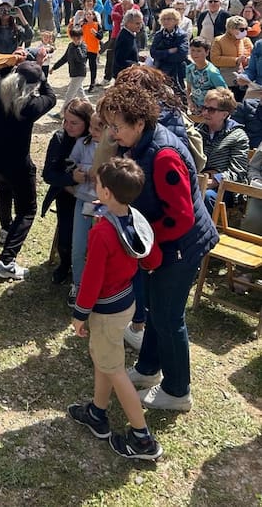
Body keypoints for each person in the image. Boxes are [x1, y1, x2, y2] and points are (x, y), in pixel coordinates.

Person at [98, 82, 218, 412]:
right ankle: (149, 368)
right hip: (160, 246)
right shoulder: (138, 144)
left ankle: (178, 391)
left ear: (139, 123)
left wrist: (139, 235)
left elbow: (182, 219)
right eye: (109, 125)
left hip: (181, 247)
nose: (111, 134)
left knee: (168, 318)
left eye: (117, 127)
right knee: (153, 309)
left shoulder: (164, 156)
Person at [69, 157, 163, 461]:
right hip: (125, 301)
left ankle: (142, 438)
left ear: (107, 192)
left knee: (114, 369)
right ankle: (97, 412)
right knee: (104, 359)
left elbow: (92, 278)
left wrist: (79, 314)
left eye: (99, 185)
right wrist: (105, 211)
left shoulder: (102, 234)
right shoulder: (132, 216)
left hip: (106, 310)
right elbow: (146, 257)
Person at [0, 53, 56, 279]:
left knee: (3, 190)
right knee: (27, 209)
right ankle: (6, 261)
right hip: (16, 162)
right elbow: (51, 97)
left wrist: (14, 61)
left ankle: (5, 229)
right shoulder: (31, 105)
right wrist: (42, 71)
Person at [42, 98, 94, 285]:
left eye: (74, 123)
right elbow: (48, 174)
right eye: (65, 121)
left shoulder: (95, 139)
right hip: (66, 194)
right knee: (66, 233)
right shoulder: (59, 139)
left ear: (87, 122)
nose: (68, 126)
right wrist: (70, 180)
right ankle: (65, 264)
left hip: (94, 197)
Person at [68, 112, 105, 308]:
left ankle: (97, 288)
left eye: (97, 129)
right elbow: (70, 163)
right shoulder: (83, 144)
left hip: (104, 205)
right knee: (79, 244)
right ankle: (78, 284)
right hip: (84, 200)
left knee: (97, 248)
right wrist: (77, 172)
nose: (92, 132)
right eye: (91, 127)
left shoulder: (115, 148)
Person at [197, 87, 249, 212]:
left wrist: (214, 180)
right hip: (198, 182)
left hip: (225, 189)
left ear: (225, 114)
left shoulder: (238, 136)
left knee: (206, 196)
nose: (205, 113)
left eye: (211, 110)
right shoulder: (197, 131)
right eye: (204, 108)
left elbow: (238, 172)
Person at [209, 15, 252, 101]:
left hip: (243, 79)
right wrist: (235, 60)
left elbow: (252, 55)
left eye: (245, 29)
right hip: (226, 79)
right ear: (231, 29)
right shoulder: (219, 40)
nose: (244, 31)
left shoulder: (246, 40)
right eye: (241, 29)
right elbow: (215, 59)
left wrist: (248, 60)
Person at [149, 8, 189, 97]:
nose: (166, 21)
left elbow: (182, 54)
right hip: (161, 69)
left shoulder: (181, 35)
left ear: (176, 20)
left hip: (177, 70)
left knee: (179, 94)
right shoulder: (158, 35)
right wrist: (168, 51)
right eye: (164, 19)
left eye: (169, 19)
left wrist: (161, 55)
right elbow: (153, 53)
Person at [50, 26, 87, 116]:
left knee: (69, 95)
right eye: (74, 37)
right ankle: (92, 111)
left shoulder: (83, 46)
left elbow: (82, 59)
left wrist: (77, 47)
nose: (76, 39)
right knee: (81, 94)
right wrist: (54, 67)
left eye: (78, 37)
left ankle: (62, 114)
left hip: (79, 73)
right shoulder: (70, 45)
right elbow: (64, 58)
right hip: (74, 73)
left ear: (81, 36)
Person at [185, 37, 227, 114]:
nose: (194, 54)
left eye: (199, 51)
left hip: (210, 110)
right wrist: (190, 102)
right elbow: (188, 88)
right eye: (192, 50)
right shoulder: (189, 69)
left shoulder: (212, 72)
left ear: (207, 52)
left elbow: (223, 92)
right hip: (196, 108)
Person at [112, 9, 143, 79]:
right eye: (137, 23)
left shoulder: (131, 34)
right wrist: (137, 64)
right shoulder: (124, 37)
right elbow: (120, 60)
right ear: (128, 23)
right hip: (123, 76)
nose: (140, 26)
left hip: (129, 74)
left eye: (141, 23)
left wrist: (139, 57)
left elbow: (128, 53)